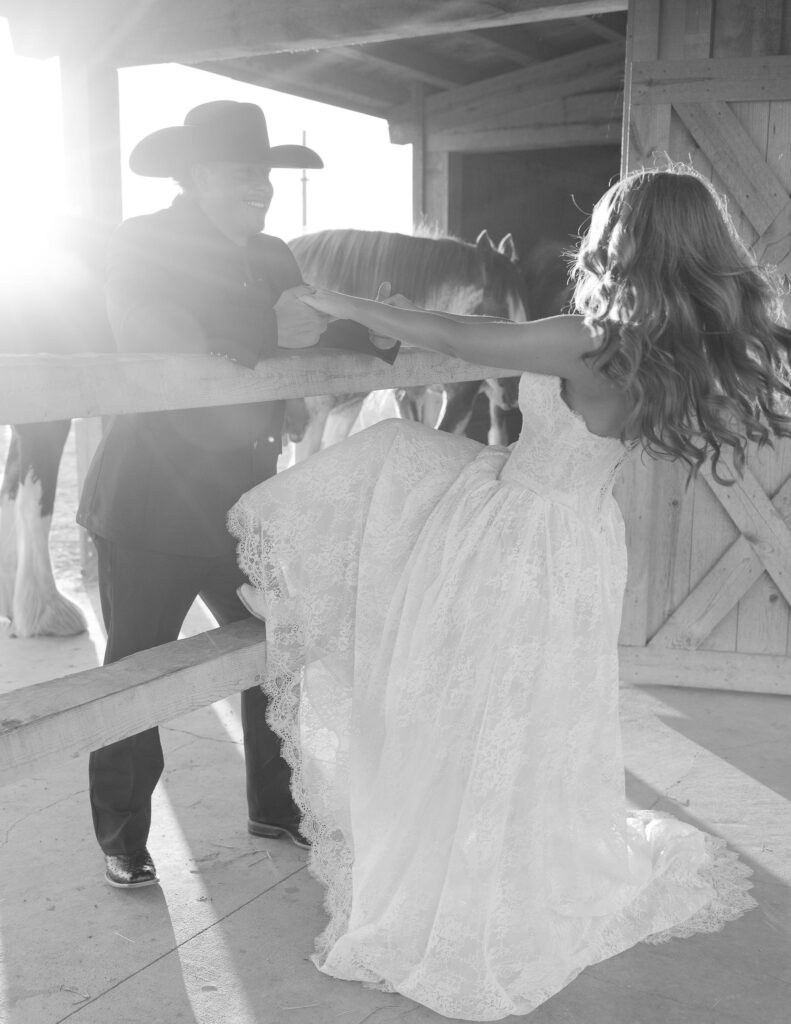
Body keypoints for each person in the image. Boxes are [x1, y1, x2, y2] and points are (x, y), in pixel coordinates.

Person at [228, 166, 791, 1019]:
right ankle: (511, 852)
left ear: (619, 243)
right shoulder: (690, 350)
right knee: (539, 706)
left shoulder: (584, 337)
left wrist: (345, 302)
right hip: (584, 538)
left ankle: (466, 876)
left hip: (518, 529)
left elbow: (450, 332)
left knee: (394, 470)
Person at [77, 100, 396, 890]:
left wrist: (381, 335)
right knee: (135, 675)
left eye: (264, 170)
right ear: (192, 175)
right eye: (238, 170)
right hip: (149, 498)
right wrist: (268, 323)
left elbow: (310, 328)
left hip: (246, 498)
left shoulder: (276, 253)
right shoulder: (143, 241)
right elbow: (149, 331)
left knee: (276, 648)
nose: (259, 184)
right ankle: (121, 832)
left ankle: (274, 803)